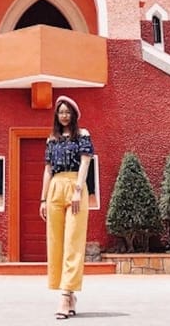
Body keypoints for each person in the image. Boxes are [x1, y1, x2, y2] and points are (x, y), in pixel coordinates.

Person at [39, 95, 95, 319]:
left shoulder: (83, 135)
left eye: (67, 112)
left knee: (73, 241)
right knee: (55, 243)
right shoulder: (51, 139)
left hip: (75, 187)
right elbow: (47, 169)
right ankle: (69, 294)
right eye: (60, 112)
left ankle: (64, 296)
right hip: (55, 187)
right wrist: (43, 199)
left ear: (74, 114)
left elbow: (85, 162)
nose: (64, 115)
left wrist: (78, 190)